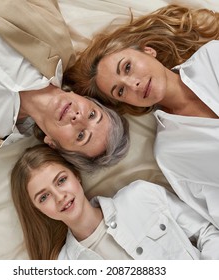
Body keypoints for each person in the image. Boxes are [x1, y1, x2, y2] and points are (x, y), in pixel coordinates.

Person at [64, 4, 219, 227]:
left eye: (127, 67)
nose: (133, 84)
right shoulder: (170, 152)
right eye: (120, 91)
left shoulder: (213, 57)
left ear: (148, 51)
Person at [0, 0, 130, 172]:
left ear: (53, 145)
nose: (79, 118)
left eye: (81, 136)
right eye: (92, 114)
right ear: (86, 99)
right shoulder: (57, 44)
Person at [11, 144, 219, 260]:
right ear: (37, 209)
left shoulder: (141, 196)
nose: (59, 196)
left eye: (61, 180)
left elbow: (207, 233)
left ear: (76, 176)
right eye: (44, 197)